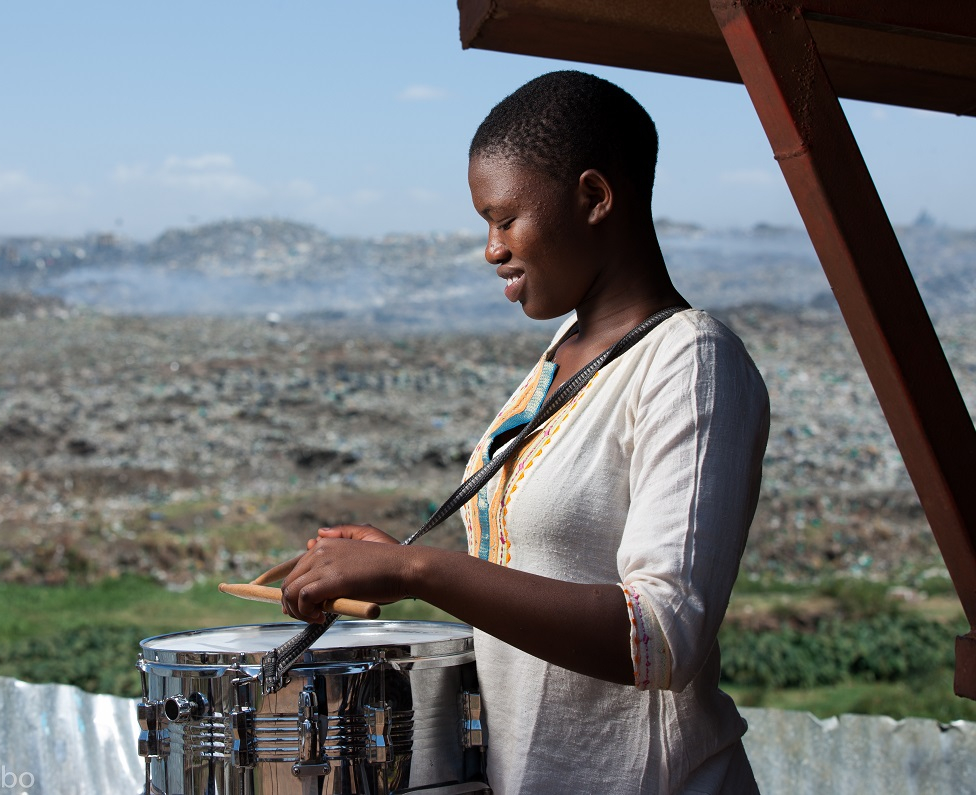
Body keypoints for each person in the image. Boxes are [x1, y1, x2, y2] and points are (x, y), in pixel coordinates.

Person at [280, 70, 770, 794]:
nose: (491, 248)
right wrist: (401, 561)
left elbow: (665, 635)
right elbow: (537, 570)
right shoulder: (559, 358)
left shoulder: (690, 358)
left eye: (506, 218)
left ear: (595, 197)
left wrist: (419, 572)